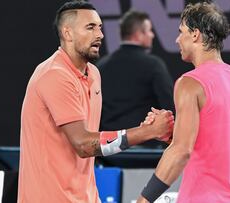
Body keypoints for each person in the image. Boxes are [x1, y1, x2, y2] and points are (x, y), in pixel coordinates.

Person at [17, 1, 173, 202]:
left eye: (99, 27)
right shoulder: (54, 75)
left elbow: (94, 138)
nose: (100, 34)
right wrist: (147, 132)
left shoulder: (94, 73)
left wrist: (148, 128)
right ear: (67, 33)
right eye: (90, 27)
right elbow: (84, 145)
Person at [137, 1, 230, 202]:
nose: (177, 39)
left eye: (181, 31)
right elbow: (221, 145)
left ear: (195, 34)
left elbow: (181, 151)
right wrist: (172, 135)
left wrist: (144, 199)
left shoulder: (189, 83)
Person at [97, 10, 175, 148]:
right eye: (149, 30)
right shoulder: (153, 65)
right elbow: (169, 105)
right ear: (139, 34)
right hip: (146, 151)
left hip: (110, 151)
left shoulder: (101, 66)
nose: (152, 35)